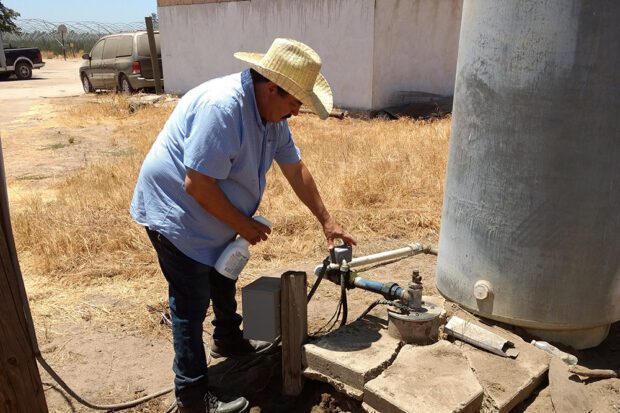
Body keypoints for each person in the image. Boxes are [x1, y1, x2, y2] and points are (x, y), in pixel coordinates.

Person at [130, 38, 356, 413]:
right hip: (176, 212)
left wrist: (328, 222)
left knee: (223, 273)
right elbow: (197, 184)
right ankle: (192, 396)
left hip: (213, 213)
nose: (297, 112)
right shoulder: (223, 109)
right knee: (190, 301)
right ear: (270, 89)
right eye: (294, 102)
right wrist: (243, 224)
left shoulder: (272, 116)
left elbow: (296, 169)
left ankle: (228, 339)